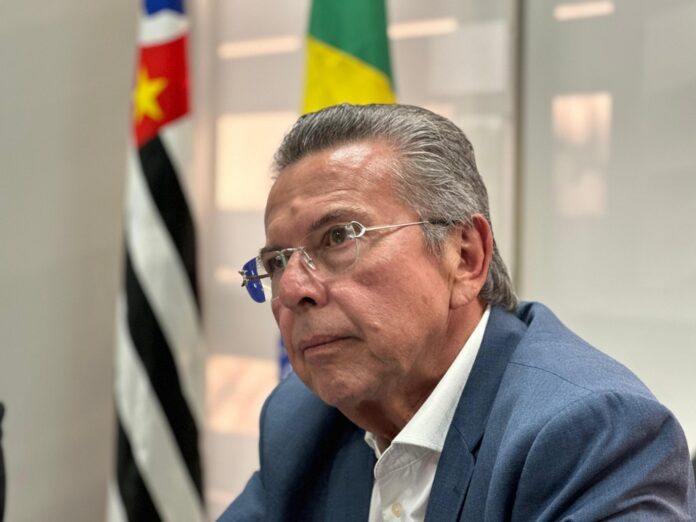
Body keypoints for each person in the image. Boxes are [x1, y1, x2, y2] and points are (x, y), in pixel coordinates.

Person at [220, 104, 696, 521]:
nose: (293, 289)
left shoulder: (589, 434)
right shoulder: (300, 418)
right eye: (276, 263)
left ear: (465, 256)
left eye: (339, 237)